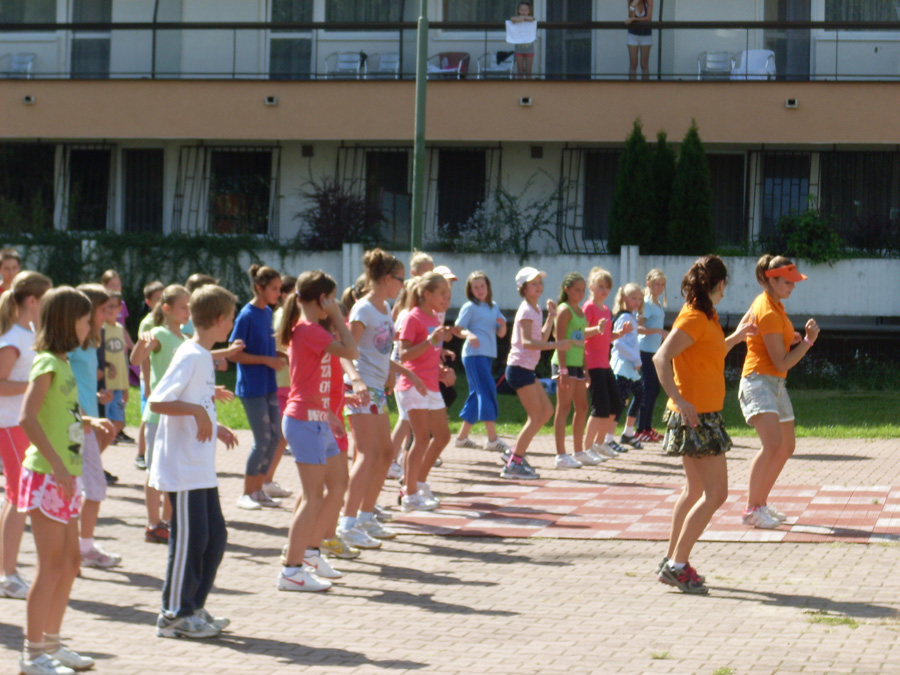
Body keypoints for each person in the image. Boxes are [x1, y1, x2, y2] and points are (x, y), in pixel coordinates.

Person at [653, 255, 755, 595]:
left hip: (702, 414)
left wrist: (737, 337)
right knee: (717, 494)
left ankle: (671, 561)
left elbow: (708, 354)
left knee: (695, 491)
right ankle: (677, 565)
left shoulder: (706, 316)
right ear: (720, 283)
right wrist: (680, 401)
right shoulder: (695, 317)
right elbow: (661, 358)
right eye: (725, 285)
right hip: (697, 417)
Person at [17, 286, 101, 674]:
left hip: (65, 478)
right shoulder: (47, 363)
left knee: (69, 564)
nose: (89, 327)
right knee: (50, 567)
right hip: (48, 477)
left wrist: (91, 421)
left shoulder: (64, 361)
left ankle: (51, 643)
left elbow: (59, 414)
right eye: (85, 320)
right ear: (68, 322)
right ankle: (32, 654)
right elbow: (27, 418)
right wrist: (57, 464)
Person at [150, 284, 240, 638]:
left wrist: (215, 426)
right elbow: (158, 401)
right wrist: (197, 412)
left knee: (214, 538)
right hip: (183, 468)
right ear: (219, 319)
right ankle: (173, 615)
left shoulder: (202, 355)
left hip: (201, 467)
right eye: (230, 318)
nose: (231, 324)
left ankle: (193, 607)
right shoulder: (190, 354)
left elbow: (196, 399)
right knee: (190, 541)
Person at [277, 271, 358, 592]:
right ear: (322, 299)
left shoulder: (309, 330)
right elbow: (352, 351)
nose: (335, 303)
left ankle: (310, 554)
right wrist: (338, 316)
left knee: (338, 484)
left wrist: (329, 414)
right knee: (313, 497)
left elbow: (310, 381)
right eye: (332, 298)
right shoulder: (309, 330)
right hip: (304, 422)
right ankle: (291, 570)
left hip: (318, 419)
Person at [340, 250, 424, 547]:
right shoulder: (362, 310)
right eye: (401, 280)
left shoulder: (385, 307)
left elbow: (378, 352)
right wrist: (356, 381)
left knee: (386, 454)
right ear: (388, 279)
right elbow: (345, 351)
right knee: (367, 454)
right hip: (361, 389)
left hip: (376, 387)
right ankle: (347, 523)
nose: (403, 285)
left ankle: (365, 517)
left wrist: (402, 372)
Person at [740, 256, 819, 529]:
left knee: (786, 446)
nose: (793, 287)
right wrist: (808, 341)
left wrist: (790, 338)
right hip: (759, 381)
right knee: (772, 445)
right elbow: (782, 362)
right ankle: (751, 509)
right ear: (771, 280)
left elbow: (767, 336)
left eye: (794, 282)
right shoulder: (768, 310)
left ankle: (760, 504)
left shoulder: (774, 304)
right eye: (788, 282)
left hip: (775, 384)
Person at [0, 271, 51, 601]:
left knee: (18, 497)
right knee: (19, 497)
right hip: (9, 425)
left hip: (24, 425)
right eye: (46, 297)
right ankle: (7, 575)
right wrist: (35, 386)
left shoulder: (30, 335)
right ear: (32, 300)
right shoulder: (12, 339)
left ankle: (9, 571)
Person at [131, 285, 191, 545]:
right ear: (166, 308)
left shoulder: (185, 339)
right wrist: (142, 343)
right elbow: (135, 359)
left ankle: (168, 521)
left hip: (177, 414)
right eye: (183, 307)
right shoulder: (159, 334)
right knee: (156, 471)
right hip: (158, 415)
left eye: (189, 307)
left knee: (174, 471)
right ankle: (153, 523)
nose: (187, 312)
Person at [502, 267, 575, 480]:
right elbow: (527, 342)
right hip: (518, 369)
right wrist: (557, 345)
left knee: (546, 412)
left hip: (526, 369)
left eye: (539, 283)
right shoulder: (526, 310)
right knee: (536, 417)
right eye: (533, 284)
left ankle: (513, 452)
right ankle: (513, 463)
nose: (538, 287)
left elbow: (541, 338)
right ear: (523, 289)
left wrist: (551, 316)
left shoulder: (535, 309)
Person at [229, 265, 288, 511]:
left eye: (280, 288)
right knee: (262, 439)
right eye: (274, 288)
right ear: (259, 288)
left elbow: (263, 346)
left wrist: (278, 354)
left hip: (268, 385)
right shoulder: (246, 315)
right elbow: (234, 354)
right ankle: (246, 493)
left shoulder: (267, 313)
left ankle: (259, 489)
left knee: (275, 438)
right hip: (252, 388)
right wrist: (266, 360)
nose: (278, 293)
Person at [69, 284, 119, 570]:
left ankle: (81, 547)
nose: (109, 315)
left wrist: (97, 397)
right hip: (77, 425)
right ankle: (79, 549)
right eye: (104, 309)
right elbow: (62, 384)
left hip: (87, 423)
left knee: (88, 487)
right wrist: (86, 415)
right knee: (90, 487)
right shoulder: (73, 343)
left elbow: (81, 382)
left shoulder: (91, 342)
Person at [397, 272, 452, 510]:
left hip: (431, 385)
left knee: (443, 436)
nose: (446, 299)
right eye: (442, 294)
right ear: (427, 294)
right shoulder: (413, 317)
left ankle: (418, 483)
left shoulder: (434, 318)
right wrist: (430, 340)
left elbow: (428, 354)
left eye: (448, 295)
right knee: (420, 439)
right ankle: (409, 495)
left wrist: (440, 370)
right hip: (413, 386)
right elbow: (404, 355)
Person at [453, 271, 509, 453]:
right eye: (475, 287)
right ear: (470, 290)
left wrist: (503, 325)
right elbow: (457, 329)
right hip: (473, 355)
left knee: (477, 395)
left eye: (482, 286)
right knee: (487, 391)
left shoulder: (494, 307)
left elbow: (501, 333)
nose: (480, 290)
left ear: (488, 287)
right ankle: (492, 439)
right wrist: (469, 335)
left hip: (487, 355)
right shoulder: (469, 307)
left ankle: (461, 438)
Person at [551, 273, 601, 468]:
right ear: (567, 290)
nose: (580, 294)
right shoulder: (564, 310)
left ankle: (578, 452)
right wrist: (563, 370)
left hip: (578, 363)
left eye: (582, 290)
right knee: (563, 407)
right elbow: (559, 340)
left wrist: (585, 369)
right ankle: (560, 455)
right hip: (564, 364)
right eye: (576, 290)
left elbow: (581, 341)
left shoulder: (579, 310)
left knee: (582, 407)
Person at [582, 267, 629, 459]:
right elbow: (580, 333)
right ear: (591, 287)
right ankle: (586, 448)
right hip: (592, 364)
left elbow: (606, 336)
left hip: (604, 364)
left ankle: (600, 444)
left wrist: (621, 333)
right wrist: (596, 328)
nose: (604, 290)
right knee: (600, 408)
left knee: (616, 405)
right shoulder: (588, 308)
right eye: (600, 286)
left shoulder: (606, 310)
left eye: (607, 287)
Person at [610, 283, 645, 450]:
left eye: (639, 298)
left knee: (640, 394)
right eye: (633, 298)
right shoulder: (624, 317)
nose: (637, 302)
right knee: (620, 401)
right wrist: (636, 359)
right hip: (623, 365)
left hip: (630, 365)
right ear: (624, 298)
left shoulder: (631, 316)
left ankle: (628, 433)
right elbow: (618, 342)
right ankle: (608, 437)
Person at [134, 280, 164, 472]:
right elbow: (143, 357)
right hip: (150, 379)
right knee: (148, 417)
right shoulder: (148, 323)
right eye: (157, 299)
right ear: (148, 302)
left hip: (161, 377)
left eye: (163, 298)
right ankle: (140, 453)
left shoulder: (167, 321)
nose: (160, 302)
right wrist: (146, 383)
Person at [636, 269, 668, 443]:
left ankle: (647, 428)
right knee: (647, 389)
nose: (660, 287)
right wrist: (658, 331)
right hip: (644, 351)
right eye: (657, 284)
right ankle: (640, 429)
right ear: (648, 284)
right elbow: (638, 327)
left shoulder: (658, 303)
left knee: (654, 389)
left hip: (654, 352)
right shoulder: (646, 303)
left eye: (662, 284)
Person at [102, 291, 130, 443]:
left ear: (120, 308)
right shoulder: (101, 328)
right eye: (107, 306)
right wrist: (106, 365)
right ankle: (97, 453)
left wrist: (125, 387)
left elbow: (121, 360)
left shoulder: (119, 328)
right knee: (103, 422)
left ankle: (102, 445)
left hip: (118, 384)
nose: (109, 310)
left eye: (113, 306)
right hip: (105, 384)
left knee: (119, 422)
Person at [625, 0, 654, 80]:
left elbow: (648, 18)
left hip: (646, 34)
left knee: (644, 64)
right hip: (633, 34)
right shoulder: (631, 1)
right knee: (633, 64)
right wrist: (633, 4)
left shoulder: (649, 1)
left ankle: (645, 86)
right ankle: (632, 86)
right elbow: (631, 16)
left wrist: (634, 19)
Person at [510, 2, 537, 79]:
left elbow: (533, 19)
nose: (524, 12)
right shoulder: (516, 19)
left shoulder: (530, 19)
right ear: (518, 11)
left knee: (528, 70)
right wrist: (520, 19)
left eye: (526, 10)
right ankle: (520, 84)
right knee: (520, 69)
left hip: (529, 47)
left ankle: (529, 84)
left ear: (529, 11)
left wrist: (524, 19)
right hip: (519, 48)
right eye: (521, 10)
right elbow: (512, 19)